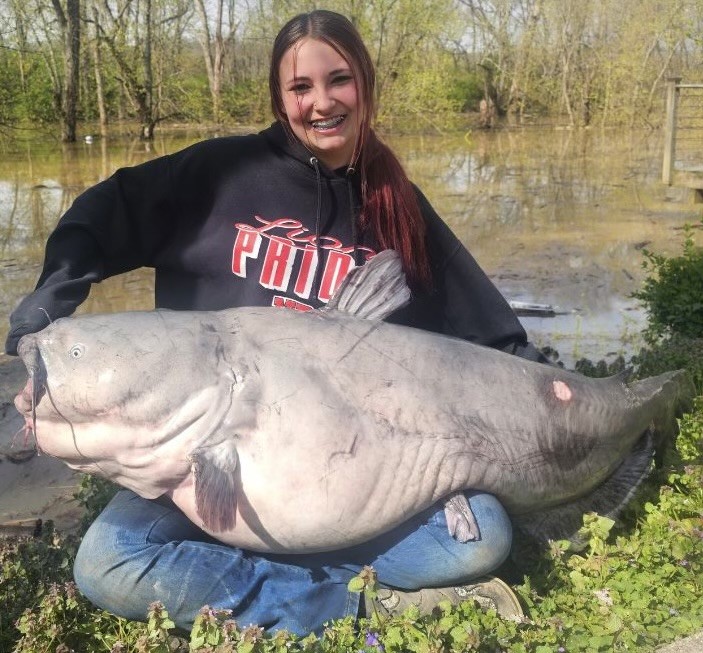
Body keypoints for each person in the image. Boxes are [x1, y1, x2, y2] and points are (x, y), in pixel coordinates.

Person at [6, 9, 546, 636]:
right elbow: (104, 213)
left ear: (365, 84)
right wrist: (49, 302)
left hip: (353, 483)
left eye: (338, 80)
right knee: (108, 562)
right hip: (201, 470)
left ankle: (270, 569)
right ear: (280, 97)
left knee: (481, 537)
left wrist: (544, 385)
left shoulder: (398, 207)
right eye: (301, 87)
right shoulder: (217, 176)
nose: (322, 102)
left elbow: (483, 326)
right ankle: (358, 602)